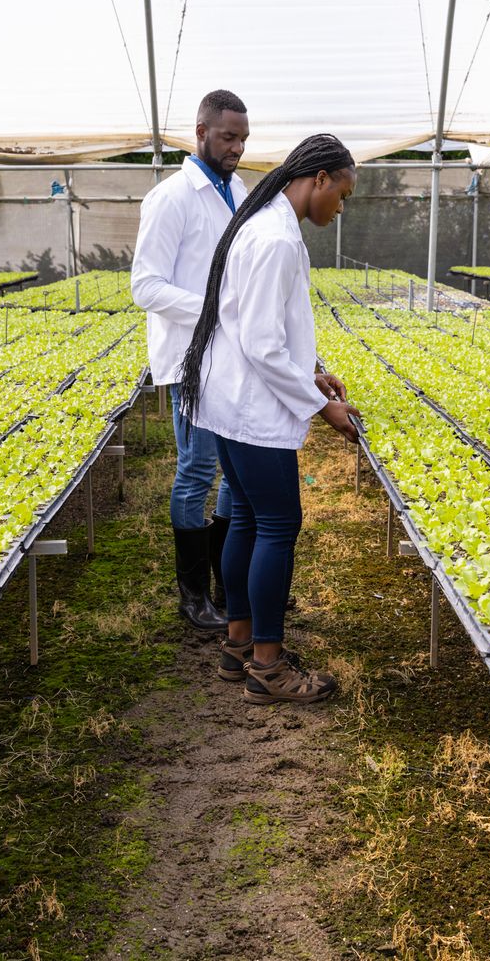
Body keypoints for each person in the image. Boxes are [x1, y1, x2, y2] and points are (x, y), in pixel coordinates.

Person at [178, 134, 360, 704]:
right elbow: (261, 342)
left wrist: (312, 372)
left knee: (251, 520)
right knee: (278, 524)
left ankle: (239, 648)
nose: (341, 207)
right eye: (344, 194)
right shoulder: (276, 237)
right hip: (250, 405)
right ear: (321, 178)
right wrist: (322, 406)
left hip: (229, 402)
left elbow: (261, 326)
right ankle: (268, 666)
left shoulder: (262, 225)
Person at [131, 89, 249, 631]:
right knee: (198, 468)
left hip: (233, 353)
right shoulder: (172, 198)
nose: (237, 148)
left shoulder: (239, 189)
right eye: (228, 137)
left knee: (233, 473)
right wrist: (211, 311)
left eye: (243, 139)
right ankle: (193, 597)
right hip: (191, 358)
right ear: (200, 131)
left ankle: (228, 587)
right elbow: (146, 286)